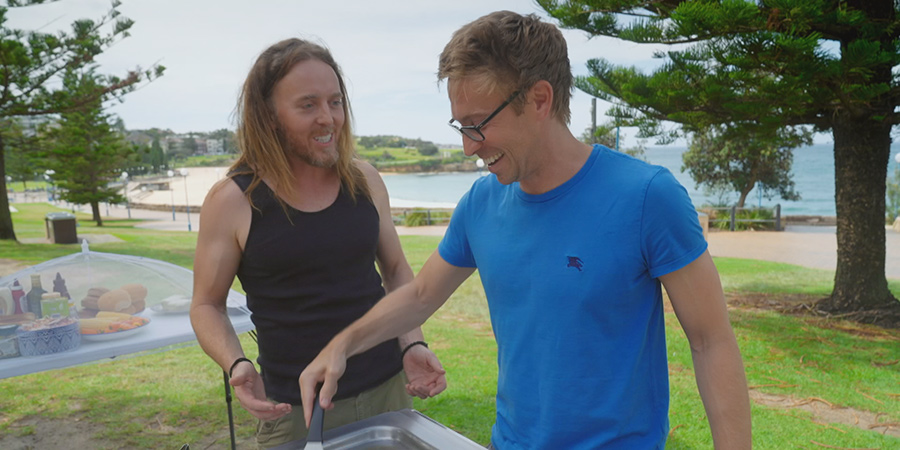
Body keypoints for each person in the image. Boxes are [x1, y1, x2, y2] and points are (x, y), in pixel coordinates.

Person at [299, 11, 752, 450]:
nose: (468, 146)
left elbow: (710, 341)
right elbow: (420, 297)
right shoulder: (481, 203)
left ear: (539, 99)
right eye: (460, 126)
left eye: (477, 124)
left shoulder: (647, 197)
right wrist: (343, 344)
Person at [189, 38, 447, 448]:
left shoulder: (364, 180)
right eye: (307, 105)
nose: (328, 118)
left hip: (387, 393)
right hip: (296, 412)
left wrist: (412, 342)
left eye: (335, 102)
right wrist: (235, 362)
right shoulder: (233, 201)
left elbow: (396, 272)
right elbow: (206, 305)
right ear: (270, 116)